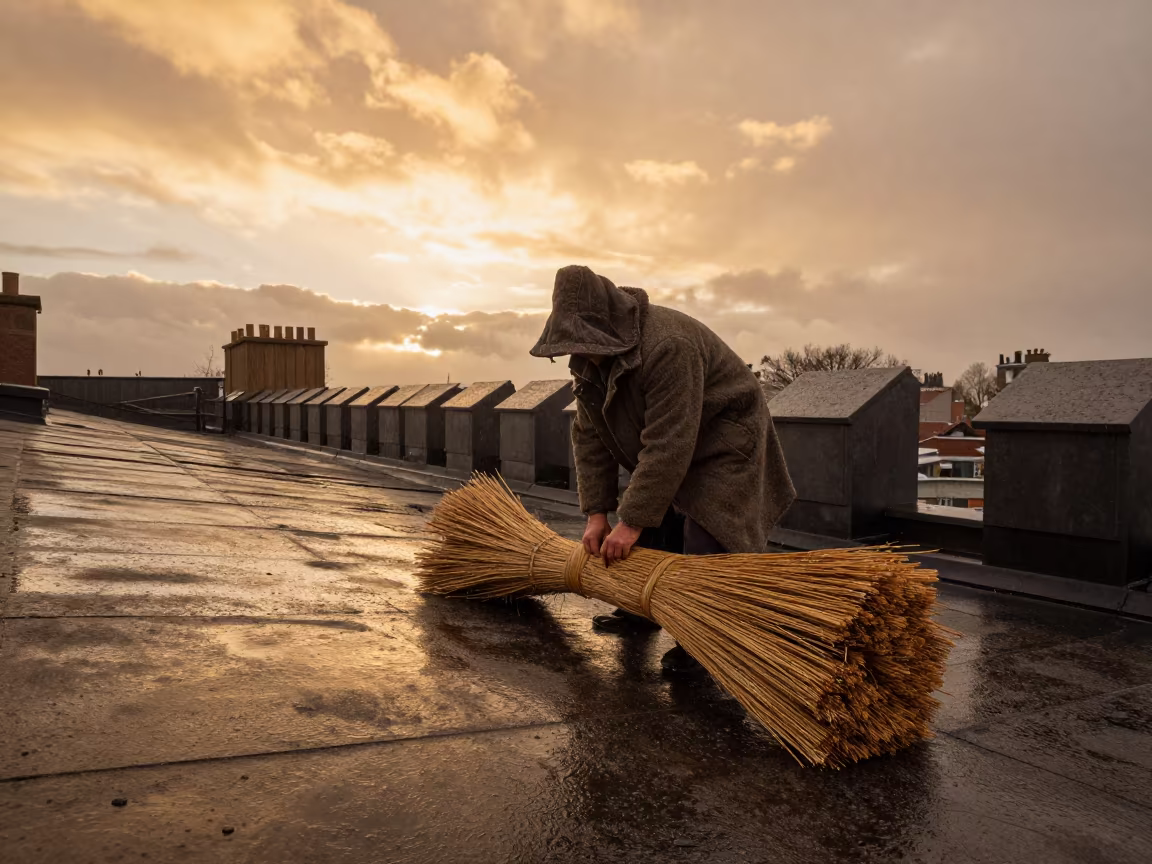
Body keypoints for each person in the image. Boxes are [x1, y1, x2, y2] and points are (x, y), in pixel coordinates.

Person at [530, 264, 796, 672]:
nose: (578, 353)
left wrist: (630, 521)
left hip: (725, 440)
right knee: (649, 527)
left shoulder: (669, 345)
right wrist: (597, 515)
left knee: (705, 540)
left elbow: (670, 442)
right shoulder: (588, 362)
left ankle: (704, 637)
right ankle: (642, 609)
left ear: (608, 327)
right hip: (668, 439)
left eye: (584, 342)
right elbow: (590, 438)